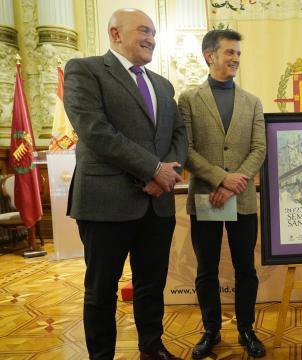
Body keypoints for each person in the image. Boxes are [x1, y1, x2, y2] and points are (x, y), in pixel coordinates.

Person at [64, 8, 186, 360]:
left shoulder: (163, 84)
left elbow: (179, 133)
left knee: (151, 285)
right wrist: (152, 169)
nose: (151, 39)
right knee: (101, 290)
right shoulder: (84, 71)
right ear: (115, 34)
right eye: (143, 31)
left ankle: (152, 346)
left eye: (153, 33)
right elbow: (95, 132)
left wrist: (167, 173)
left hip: (157, 203)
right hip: (106, 202)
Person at [178, 30, 266, 359]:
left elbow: (260, 148)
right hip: (206, 197)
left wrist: (234, 182)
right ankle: (211, 330)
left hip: (241, 198)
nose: (235, 59)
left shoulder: (252, 101)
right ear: (209, 55)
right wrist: (220, 180)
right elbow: (184, 149)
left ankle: (246, 329)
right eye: (229, 52)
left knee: (246, 269)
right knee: (206, 270)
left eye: (238, 54)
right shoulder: (188, 99)